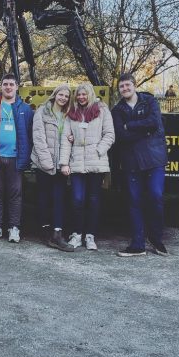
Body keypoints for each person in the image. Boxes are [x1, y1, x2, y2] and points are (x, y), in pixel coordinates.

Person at [111, 73, 169, 257]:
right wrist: (145, 132)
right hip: (131, 161)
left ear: (134, 86)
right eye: (122, 87)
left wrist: (132, 125)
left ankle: (156, 238)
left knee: (156, 196)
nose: (125, 89)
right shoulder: (117, 110)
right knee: (134, 201)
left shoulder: (149, 102)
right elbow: (121, 136)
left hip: (155, 159)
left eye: (128, 85)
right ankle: (138, 243)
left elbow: (155, 123)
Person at [59, 82, 115, 251]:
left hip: (95, 163)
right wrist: (64, 163)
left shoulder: (102, 111)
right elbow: (66, 139)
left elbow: (110, 134)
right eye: (79, 94)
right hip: (76, 163)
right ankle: (77, 233)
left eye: (84, 94)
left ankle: (90, 235)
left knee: (93, 200)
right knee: (77, 199)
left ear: (90, 94)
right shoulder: (72, 114)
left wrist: (98, 150)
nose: (81, 97)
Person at [0, 74, 34, 243]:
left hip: (15, 159)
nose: (8, 87)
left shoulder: (25, 109)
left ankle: (14, 228)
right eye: (5, 84)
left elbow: (31, 134)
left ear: (17, 87)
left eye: (11, 84)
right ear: (1, 86)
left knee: (15, 195)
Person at [31, 84, 74, 252]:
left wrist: (72, 137)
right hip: (43, 163)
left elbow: (71, 136)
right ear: (55, 95)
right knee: (44, 198)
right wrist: (47, 163)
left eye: (66, 96)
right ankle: (44, 230)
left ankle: (57, 234)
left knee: (59, 198)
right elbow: (38, 137)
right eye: (60, 94)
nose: (63, 98)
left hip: (60, 164)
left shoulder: (68, 115)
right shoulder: (42, 111)